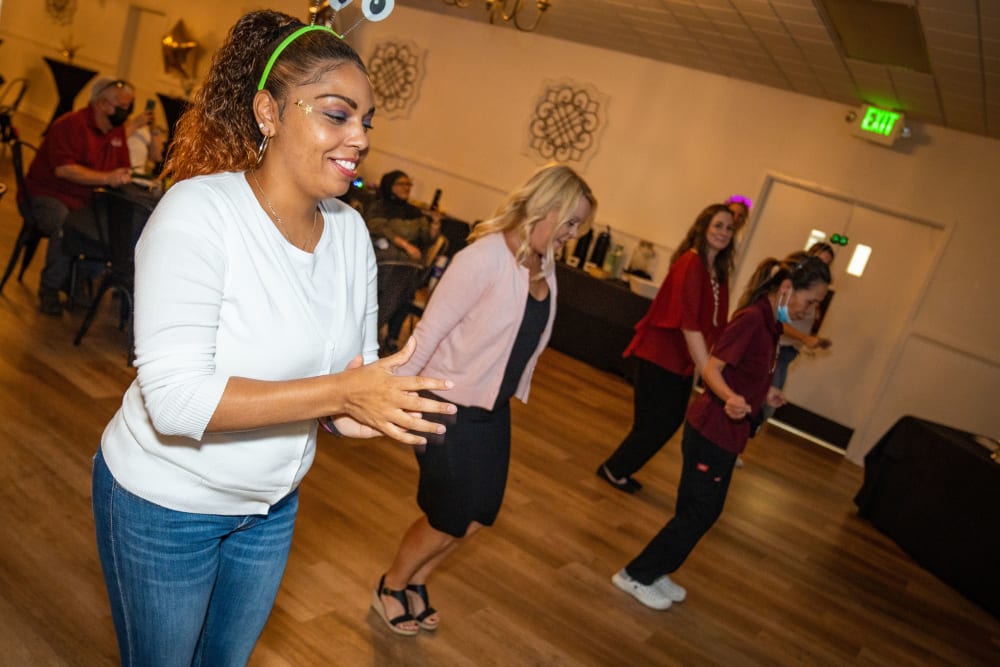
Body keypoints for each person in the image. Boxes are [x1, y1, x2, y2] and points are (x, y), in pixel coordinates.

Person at [90, 11, 456, 665]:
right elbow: (176, 401)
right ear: (268, 111)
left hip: (269, 508)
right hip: (165, 502)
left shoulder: (349, 236)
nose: (360, 137)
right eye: (338, 114)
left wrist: (376, 410)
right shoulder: (200, 213)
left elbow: (346, 383)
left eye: (367, 121)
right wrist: (344, 391)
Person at [373, 164, 596, 635]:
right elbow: (427, 334)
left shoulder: (545, 266)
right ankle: (391, 586)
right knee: (449, 515)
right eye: (570, 223)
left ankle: (418, 580)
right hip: (446, 404)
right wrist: (387, 400)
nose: (572, 236)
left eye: (579, 228)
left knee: (479, 516)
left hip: (493, 409)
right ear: (546, 208)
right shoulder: (483, 258)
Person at [611, 254, 832, 610]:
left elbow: (748, 370)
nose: (812, 311)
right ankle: (636, 575)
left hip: (726, 436)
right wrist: (730, 397)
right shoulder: (752, 319)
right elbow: (713, 369)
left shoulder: (771, 323)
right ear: (788, 289)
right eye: (811, 301)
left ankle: (658, 570)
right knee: (697, 513)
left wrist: (763, 392)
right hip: (711, 431)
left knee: (703, 512)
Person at [597, 204, 736, 493]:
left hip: (683, 363)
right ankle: (614, 468)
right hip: (660, 357)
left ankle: (616, 467)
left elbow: (714, 326)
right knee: (654, 425)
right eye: (718, 225)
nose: (724, 232)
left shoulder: (718, 275)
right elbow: (688, 323)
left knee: (665, 423)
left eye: (729, 228)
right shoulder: (690, 263)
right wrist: (710, 373)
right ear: (703, 227)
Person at [24, 76, 153, 315]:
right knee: (66, 225)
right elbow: (64, 170)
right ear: (102, 104)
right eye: (123, 107)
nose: (126, 113)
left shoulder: (115, 133)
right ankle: (50, 286)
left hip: (85, 199)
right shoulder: (71, 125)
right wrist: (106, 178)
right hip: (49, 194)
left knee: (114, 225)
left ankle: (78, 279)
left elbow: (122, 166)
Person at [365, 169, 442, 352]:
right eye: (402, 184)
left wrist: (436, 223)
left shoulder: (414, 212)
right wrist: (405, 245)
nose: (407, 188)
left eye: (409, 184)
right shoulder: (380, 206)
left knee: (406, 281)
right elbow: (377, 228)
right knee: (404, 285)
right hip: (383, 259)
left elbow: (427, 239)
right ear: (390, 186)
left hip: (408, 264)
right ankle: (383, 334)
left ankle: (377, 332)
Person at [760, 242, 835, 424]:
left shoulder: (812, 293)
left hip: (788, 351)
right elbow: (777, 322)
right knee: (763, 408)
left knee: (767, 404)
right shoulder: (768, 307)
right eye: (809, 302)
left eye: (827, 264)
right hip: (778, 348)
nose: (808, 309)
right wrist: (805, 338)